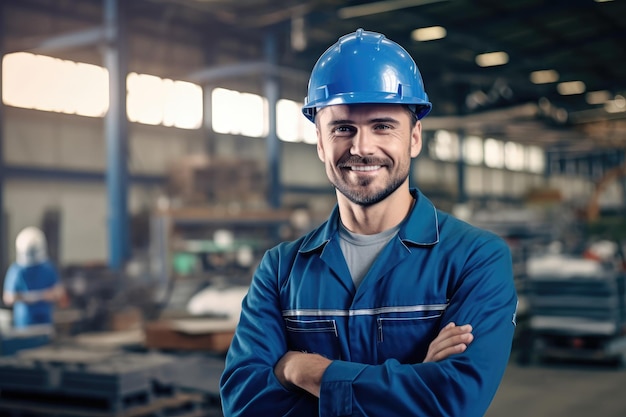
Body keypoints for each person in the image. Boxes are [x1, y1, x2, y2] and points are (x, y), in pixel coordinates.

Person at [220, 28, 518, 417]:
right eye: (343, 128)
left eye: (382, 126)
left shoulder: (475, 259)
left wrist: (302, 369)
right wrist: (412, 381)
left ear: (414, 138)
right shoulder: (281, 270)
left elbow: (453, 401)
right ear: (321, 142)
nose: (361, 147)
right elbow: (243, 402)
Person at [2, 226, 65, 329]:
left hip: (45, 321)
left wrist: (41, 296)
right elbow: (8, 297)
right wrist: (29, 298)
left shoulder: (47, 268)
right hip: (24, 321)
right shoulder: (17, 270)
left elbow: (59, 292)